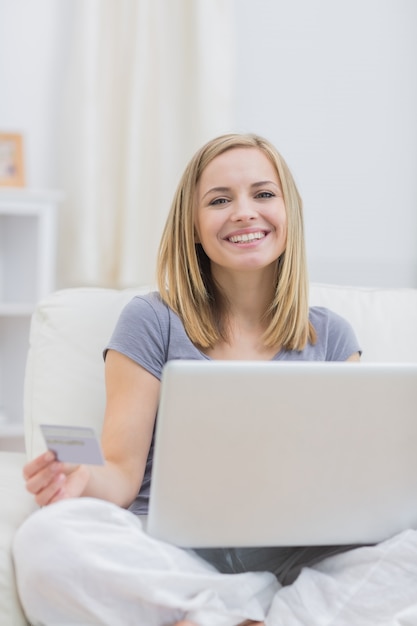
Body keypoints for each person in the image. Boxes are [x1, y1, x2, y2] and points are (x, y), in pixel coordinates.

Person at [14, 132, 415, 626]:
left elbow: (355, 485)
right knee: (48, 538)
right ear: (194, 229)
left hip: (297, 557)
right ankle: (237, 611)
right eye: (220, 200)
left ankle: (236, 615)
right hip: (171, 554)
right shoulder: (151, 319)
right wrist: (78, 477)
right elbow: (119, 472)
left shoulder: (331, 334)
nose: (244, 211)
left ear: (290, 214)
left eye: (263, 194)